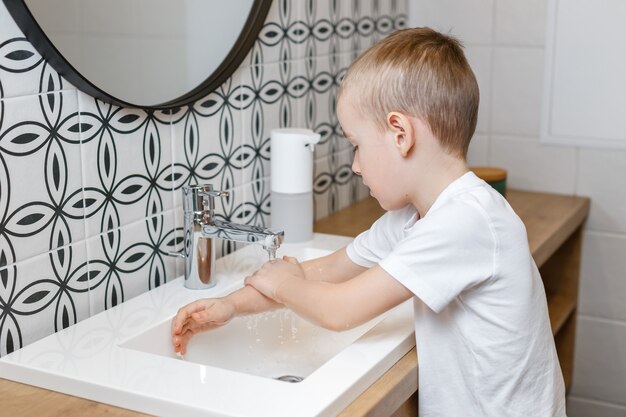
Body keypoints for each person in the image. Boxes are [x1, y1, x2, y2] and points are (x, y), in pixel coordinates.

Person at [171, 27, 566, 416]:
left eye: (356, 145)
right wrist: (231, 306)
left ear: (400, 134)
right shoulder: (413, 217)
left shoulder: (467, 221)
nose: (356, 166)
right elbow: (328, 272)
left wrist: (285, 283)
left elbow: (340, 309)